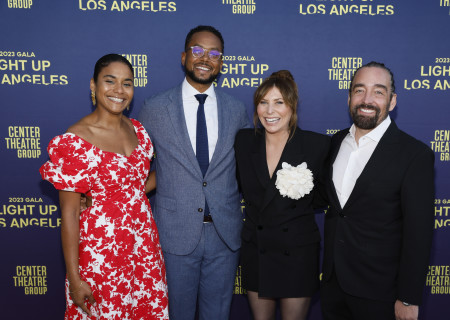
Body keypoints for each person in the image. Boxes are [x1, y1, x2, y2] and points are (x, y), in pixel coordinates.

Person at [40, 54, 168, 320]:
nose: (119, 91)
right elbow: (70, 215)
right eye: (110, 81)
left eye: (127, 83)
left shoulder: (139, 131)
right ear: (93, 85)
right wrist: (75, 279)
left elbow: (136, 185)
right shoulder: (75, 141)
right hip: (101, 254)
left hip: (143, 249)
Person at [138, 26, 249, 320]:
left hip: (224, 234)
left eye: (215, 54)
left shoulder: (237, 110)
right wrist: (104, 195)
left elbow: (250, 168)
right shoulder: (155, 108)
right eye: (198, 50)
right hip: (174, 233)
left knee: (218, 315)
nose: (205, 58)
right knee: (176, 314)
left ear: (222, 62)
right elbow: (132, 165)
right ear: (184, 56)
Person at [320, 62, 435, 320]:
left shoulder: (414, 154)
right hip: (333, 286)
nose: (367, 99)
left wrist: (408, 297)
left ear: (392, 101)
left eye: (378, 92)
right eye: (359, 90)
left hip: (381, 293)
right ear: (349, 98)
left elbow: (419, 233)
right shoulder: (336, 142)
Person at [234, 70, 330, 320]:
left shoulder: (316, 145)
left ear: (292, 106)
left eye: (279, 102)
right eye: (263, 102)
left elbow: (326, 194)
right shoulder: (244, 141)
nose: (269, 111)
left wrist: (294, 208)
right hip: (258, 249)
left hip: (297, 252)